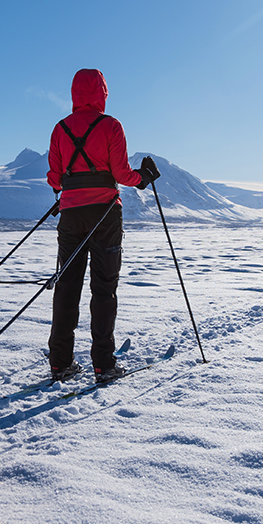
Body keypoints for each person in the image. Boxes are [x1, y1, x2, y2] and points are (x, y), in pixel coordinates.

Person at [46, 68, 159, 383]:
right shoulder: (111, 126)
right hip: (105, 214)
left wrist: (72, 186)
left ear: (74, 94)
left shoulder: (60, 129)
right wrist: (144, 178)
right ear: (103, 93)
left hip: (70, 215)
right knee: (104, 289)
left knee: (67, 287)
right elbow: (122, 175)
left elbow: (54, 178)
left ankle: (60, 364)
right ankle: (103, 365)